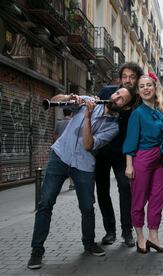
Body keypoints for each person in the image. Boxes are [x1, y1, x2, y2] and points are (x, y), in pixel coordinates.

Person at [27, 87, 137, 270]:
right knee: (45, 203)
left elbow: (88, 145)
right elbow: (54, 100)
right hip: (60, 156)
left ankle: (88, 243)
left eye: (121, 99)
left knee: (87, 206)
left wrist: (87, 116)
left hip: (84, 165)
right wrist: (70, 97)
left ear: (124, 107)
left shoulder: (113, 127)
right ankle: (36, 251)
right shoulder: (88, 99)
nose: (116, 97)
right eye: (117, 93)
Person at [95, 62, 144, 247]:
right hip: (101, 150)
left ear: (137, 79)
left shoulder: (138, 102)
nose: (128, 80)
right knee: (102, 190)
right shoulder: (108, 92)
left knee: (125, 189)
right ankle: (110, 231)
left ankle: (127, 231)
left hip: (123, 154)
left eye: (132, 77)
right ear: (120, 78)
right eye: (125, 77)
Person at [123, 73, 163, 254]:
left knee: (158, 198)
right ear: (138, 91)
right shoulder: (137, 114)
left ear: (155, 88)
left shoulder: (158, 113)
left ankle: (154, 238)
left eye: (149, 85)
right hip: (141, 159)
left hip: (158, 160)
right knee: (139, 200)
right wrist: (129, 164)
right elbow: (130, 140)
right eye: (142, 86)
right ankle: (140, 238)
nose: (146, 89)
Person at [53, 108, 74, 190]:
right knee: (71, 165)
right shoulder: (73, 122)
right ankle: (72, 184)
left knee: (59, 166)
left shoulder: (59, 123)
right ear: (71, 113)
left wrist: (58, 141)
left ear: (63, 113)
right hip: (71, 147)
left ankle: (56, 185)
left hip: (61, 148)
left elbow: (54, 135)